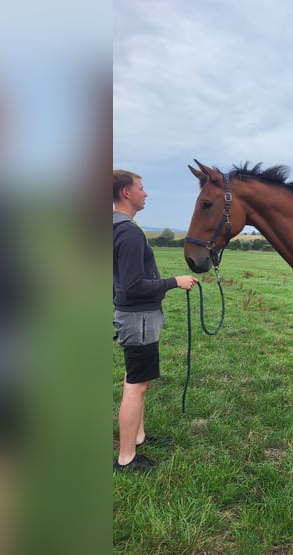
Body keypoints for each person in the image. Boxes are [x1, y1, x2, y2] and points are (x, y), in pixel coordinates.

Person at [113, 169, 197, 472]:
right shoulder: (130, 232)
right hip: (140, 319)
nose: (145, 193)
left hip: (132, 317)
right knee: (136, 385)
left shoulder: (115, 227)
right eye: (141, 187)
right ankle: (125, 458)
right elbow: (134, 284)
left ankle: (138, 436)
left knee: (136, 380)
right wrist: (175, 281)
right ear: (126, 193)